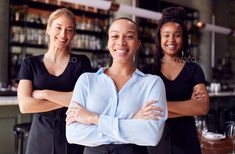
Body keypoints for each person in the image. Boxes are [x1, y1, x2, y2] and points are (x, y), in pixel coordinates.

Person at [65, 17, 168, 154]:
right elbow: (73, 134)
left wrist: (93, 118)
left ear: (137, 43)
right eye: (115, 36)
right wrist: (131, 121)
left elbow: (151, 135)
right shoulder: (86, 81)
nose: (121, 42)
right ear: (108, 42)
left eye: (129, 36)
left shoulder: (152, 83)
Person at [17, 8, 92, 154]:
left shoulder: (82, 62)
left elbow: (87, 100)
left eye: (69, 30)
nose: (63, 34)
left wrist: (44, 93)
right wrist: (70, 100)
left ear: (73, 34)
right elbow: (25, 106)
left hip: (73, 137)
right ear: (48, 29)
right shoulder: (30, 63)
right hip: (40, 136)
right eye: (58, 27)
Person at [142, 7, 209, 154]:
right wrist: (188, 108)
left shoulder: (193, 70)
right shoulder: (147, 71)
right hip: (155, 143)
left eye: (177, 35)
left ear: (184, 38)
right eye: (166, 35)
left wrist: (159, 105)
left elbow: (202, 107)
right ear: (159, 38)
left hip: (187, 142)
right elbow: (139, 110)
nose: (171, 40)